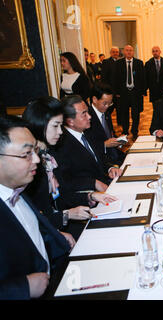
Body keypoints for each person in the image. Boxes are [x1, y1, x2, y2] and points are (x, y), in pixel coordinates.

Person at [0, 115, 73, 299]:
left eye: (35, 151)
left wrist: (52, 236)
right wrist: (23, 288)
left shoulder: (19, 189)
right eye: (26, 154)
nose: (37, 160)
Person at [22, 96, 117, 234]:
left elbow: (61, 196)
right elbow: (36, 216)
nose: (61, 131)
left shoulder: (47, 156)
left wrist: (90, 196)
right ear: (40, 124)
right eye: (55, 126)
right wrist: (67, 215)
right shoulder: (33, 164)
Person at [51, 95, 122, 195]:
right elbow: (66, 181)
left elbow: (99, 158)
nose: (90, 116)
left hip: (107, 185)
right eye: (84, 114)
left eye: (88, 112)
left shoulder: (87, 132)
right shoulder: (61, 145)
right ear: (70, 121)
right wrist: (93, 183)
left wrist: (110, 168)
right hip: (89, 196)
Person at [85, 83, 126, 165]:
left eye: (110, 103)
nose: (107, 106)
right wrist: (104, 145)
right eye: (105, 103)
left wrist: (118, 141)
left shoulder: (106, 114)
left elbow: (110, 134)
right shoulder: (87, 117)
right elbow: (86, 144)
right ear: (95, 99)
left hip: (114, 154)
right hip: (101, 160)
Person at [112, 45, 146, 140]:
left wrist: (143, 91)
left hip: (136, 93)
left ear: (133, 52)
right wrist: (116, 92)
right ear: (124, 52)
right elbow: (115, 78)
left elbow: (143, 78)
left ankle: (135, 130)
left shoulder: (139, 63)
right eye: (127, 50)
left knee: (136, 113)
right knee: (124, 113)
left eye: (131, 50)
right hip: (123, 93)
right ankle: (125, 130)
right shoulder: (118, 63)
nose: (129, 52)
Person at [101, 46, 121, 125]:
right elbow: (104, 77)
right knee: (109, 109)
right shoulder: (106, 62)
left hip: (119, 91)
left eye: (117, 52)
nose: (115, 53)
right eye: (114, 52)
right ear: (110, 53)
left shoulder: (120, 62)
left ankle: (120, 124)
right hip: (110, 90)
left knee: (120, 109)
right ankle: (108, 124)